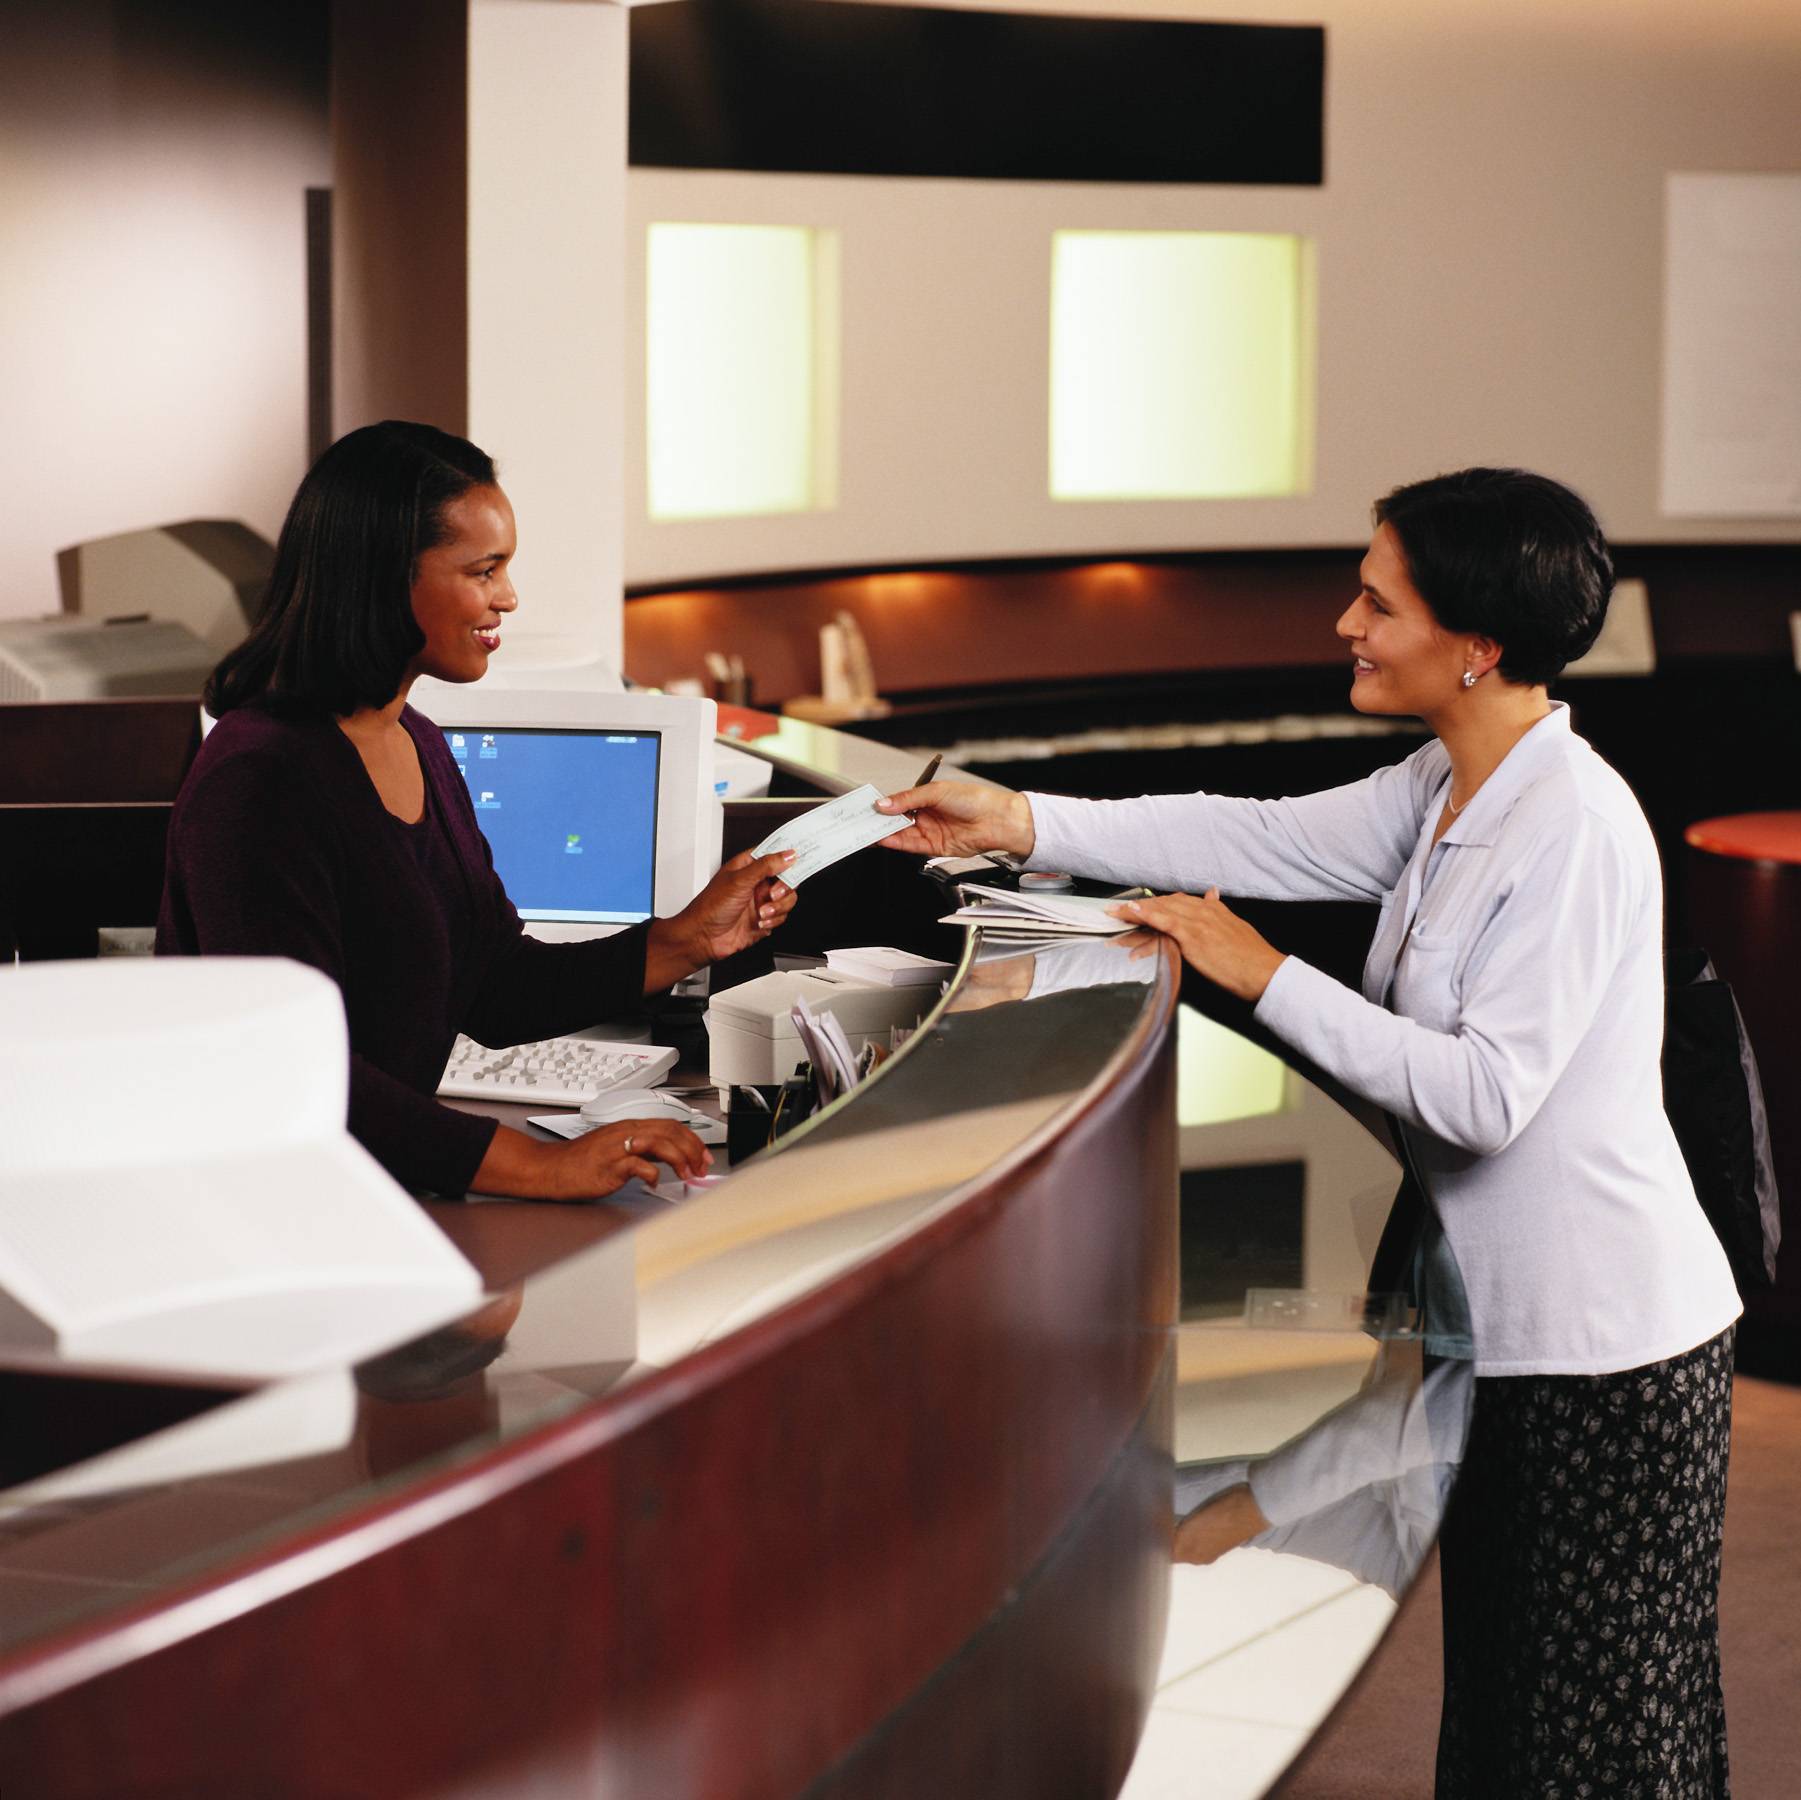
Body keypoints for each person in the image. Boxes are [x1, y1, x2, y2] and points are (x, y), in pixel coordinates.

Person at [876, 468, 1742, 1796]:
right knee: (1511, 1729)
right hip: (1508, 1340)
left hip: (1604, 1359)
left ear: (1477, 644)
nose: (1346, 621)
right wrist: (1024, 819)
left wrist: (1260, 972)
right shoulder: (1447, 787)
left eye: (1376, 601)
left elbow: (1480, 1099)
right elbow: (1257, 831)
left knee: (1596, 1745)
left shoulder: (1571, 825)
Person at [158, 420, 795, 1202]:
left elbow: (493, 984)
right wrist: (538, 1164)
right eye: (483, 569)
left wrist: (690, 938)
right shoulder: (260, 777)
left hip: (366, 1193)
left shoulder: (418, 742)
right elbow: (292, 1062)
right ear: (383, 576)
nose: (508, 597)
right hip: (269, 1208)